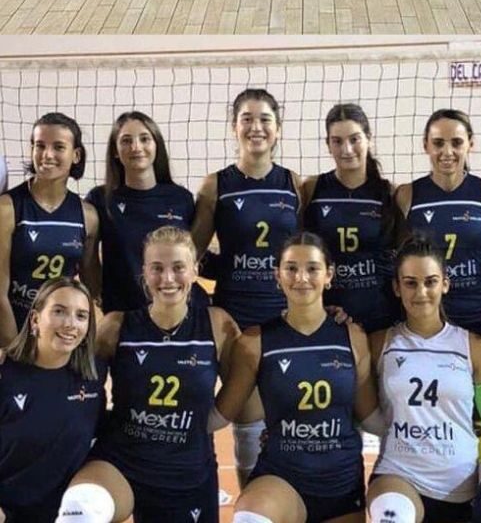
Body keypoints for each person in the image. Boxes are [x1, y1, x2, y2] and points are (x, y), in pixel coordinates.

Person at [56, 226, 239, 523]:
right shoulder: (116, 326)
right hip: (122, 461)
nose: (167, 278)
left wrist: (213, 420)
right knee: (80, 510)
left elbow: (242, 387)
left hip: (187, 469)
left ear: (195, 270)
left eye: (178, 267)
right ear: (144, 272)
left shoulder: (218, 325)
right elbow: (80, 390)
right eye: (157, 268)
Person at [367, 233, 481, 523]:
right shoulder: (380, 343)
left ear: (445, 283)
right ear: (397, 287)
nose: (421, 292)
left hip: (459, 487)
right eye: (410, 283)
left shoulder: (475, 349)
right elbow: (353, 400)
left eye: (430, 281)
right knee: (392, 514)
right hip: (398, 474)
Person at [215, 231, 379, 523]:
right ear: (277, 275)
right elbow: (219, 416)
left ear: (329, 275)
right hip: (281, 478)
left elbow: (371, 417)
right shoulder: (254, 342)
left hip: (341, 485)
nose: (301, 278)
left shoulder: (352, 337)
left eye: (312, 268)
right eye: (291, 268)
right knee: (251, 518)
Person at [192, 88, 302, 485]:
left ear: (278, 129)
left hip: (285, 318)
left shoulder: (294, 184)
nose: (256, 127)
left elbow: (307, 252)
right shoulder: (216, 185)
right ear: (234, 126)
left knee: (291, 419)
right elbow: (193, 253)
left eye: (265, 119)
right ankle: (253, 503)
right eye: (247, 119)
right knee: (249, 420)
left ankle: (292, 500)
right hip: (235, 319)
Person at [0, 277, 102, 523]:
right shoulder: (5, 372)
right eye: (59, 311)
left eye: (81, 316)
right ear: (35, 319)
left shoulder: (93, 376)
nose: (70, 324)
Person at [395, 109, 481, 339]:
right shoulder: (407, 195)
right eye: (438, 143)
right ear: (426, 145)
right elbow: (400, 253)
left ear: (470, 144)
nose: (447, 152)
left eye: (456, 142)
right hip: (429, 318)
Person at [0, 112, 99, 346]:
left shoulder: (88, 216)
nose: (47, 154)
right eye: (40, 145)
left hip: (62, 335)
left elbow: (91, 288)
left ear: (76, 155)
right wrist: (13, 347)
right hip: (14, 331)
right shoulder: (7, 208)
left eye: (58, 147)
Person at [86, 111, 196, 313]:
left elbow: (194, 253)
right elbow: (88, 258)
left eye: (144, 139)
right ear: (115, 151)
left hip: (174, 312)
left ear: (156, 145)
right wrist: (98, 294)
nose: (136, 147)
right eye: (126, 141)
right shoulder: (101, 199)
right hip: (124, 312)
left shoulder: (181, 198)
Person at [302, 103, 398, 333]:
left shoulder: (389, 193)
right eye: (337, 141)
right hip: (330, 315)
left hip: (381, 314)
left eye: (355, 139)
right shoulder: (312, 188)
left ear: (368, 139)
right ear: (328, 144)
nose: (347, 149)